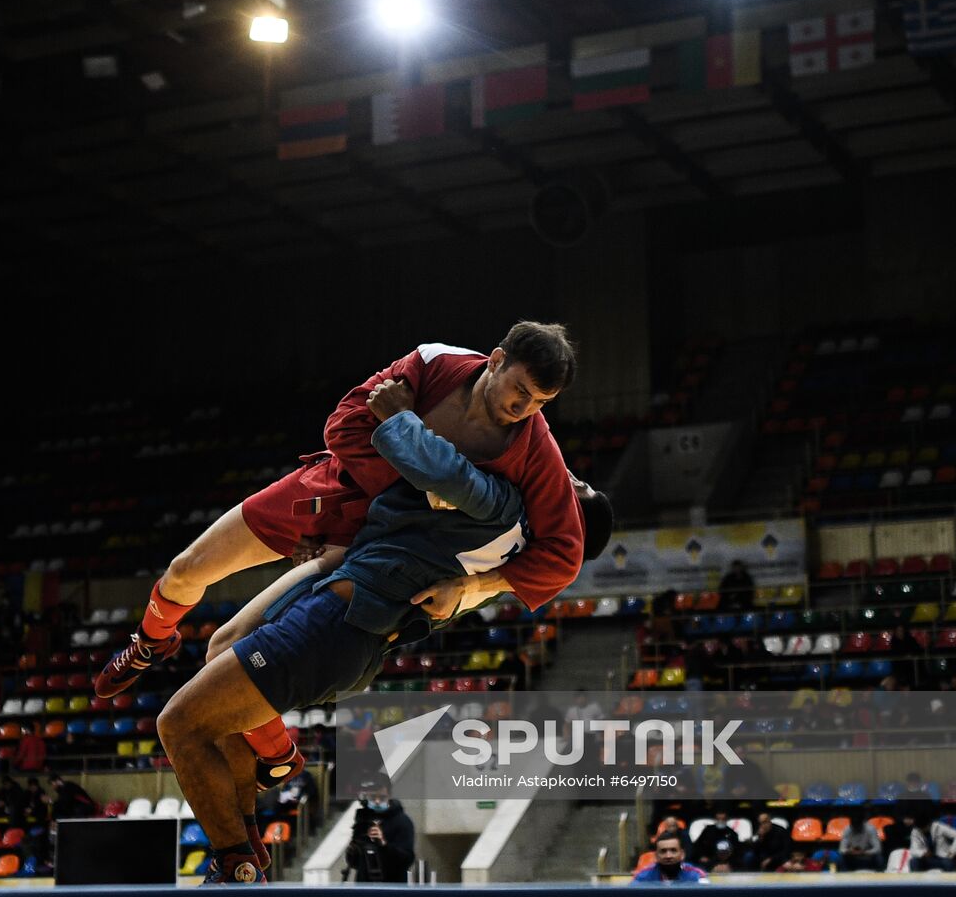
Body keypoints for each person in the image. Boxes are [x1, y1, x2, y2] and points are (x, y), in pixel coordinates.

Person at [157, 392, 612, 883]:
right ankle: (251, 831)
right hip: (346, 600)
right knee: (222, 649)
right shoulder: (507, 555)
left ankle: (236, 862)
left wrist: (400, 408)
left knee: (181, 725)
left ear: (566, 521)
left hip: (337, 625)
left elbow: (428, 465)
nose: (565, 475)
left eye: (576, 489)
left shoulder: (502, 503)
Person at [97, 323, 584, 700]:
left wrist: (476, 585)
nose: (526, 408)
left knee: (231, 647)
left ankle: (278, 756)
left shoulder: (537, 450)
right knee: (186, 570)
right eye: (521, 390)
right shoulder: (437, 363)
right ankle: (150, 641)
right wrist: (426, 483)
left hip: (375, 545)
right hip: (333, 488)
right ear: (497, 360)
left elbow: (565, 553)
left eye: (542, 402)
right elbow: (342, 429)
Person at [343, 774, 415, 883]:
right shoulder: (363, 820)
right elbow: (355, 862)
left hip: (392, 886)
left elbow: (407, 860)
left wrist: (383, 844)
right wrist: (353, 851)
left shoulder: (402, 821)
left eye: (382, 797)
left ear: (389, 796)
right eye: (372, 797)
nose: (377, 801)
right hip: (364, 885)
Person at [631, 832, 708, 884]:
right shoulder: (643, 876)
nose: (668, 856)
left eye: (673, 850)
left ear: (682, 854)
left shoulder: (696, 876)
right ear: (656, 856)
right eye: (663, 851)